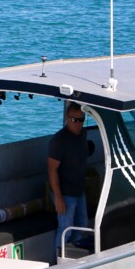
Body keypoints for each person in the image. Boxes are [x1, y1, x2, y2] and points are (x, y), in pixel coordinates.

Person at [48, 102, 89, 253]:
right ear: (67, 118)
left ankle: (72, 254)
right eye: (74, 120)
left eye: (81, 120)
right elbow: (52, 170)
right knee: (65, 228)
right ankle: (59, 260)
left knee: (82, 224)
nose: (78, 124)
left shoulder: (83, 134)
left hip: (79, 190)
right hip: (65, 193)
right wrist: (58, 197)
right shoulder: (59, 141)